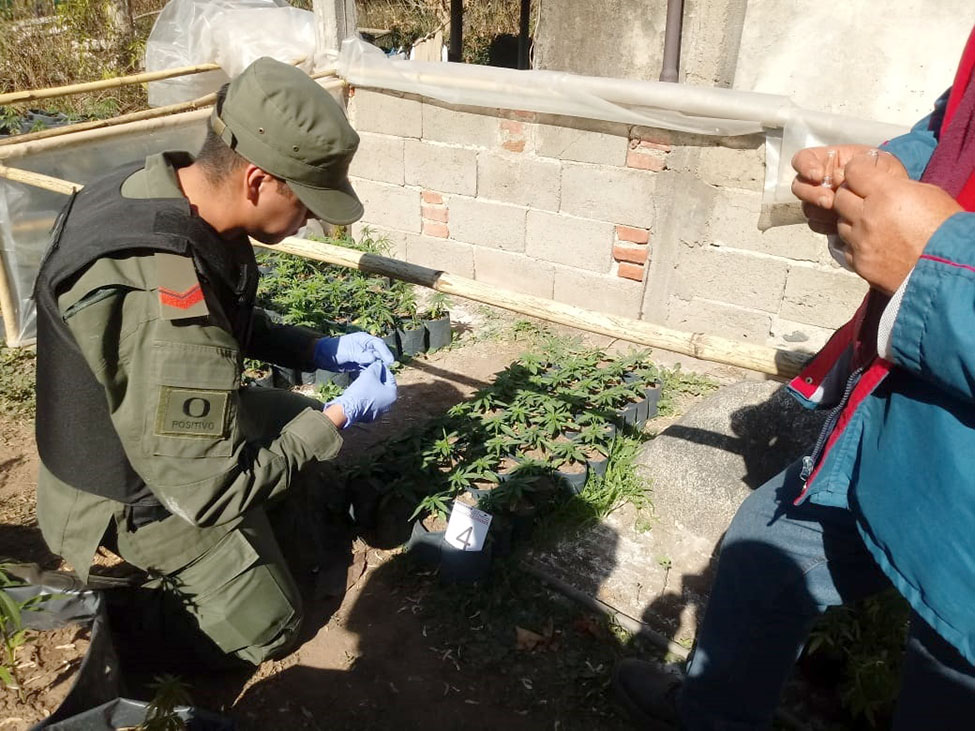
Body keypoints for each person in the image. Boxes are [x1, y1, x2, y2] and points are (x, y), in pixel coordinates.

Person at [612, 25, 975, 730]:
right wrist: (870, 183)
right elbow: (951, 129)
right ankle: (710, 710)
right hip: (910, 412)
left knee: (944, 681)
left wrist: (936, 263)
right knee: (767, 547)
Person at [33, 57, 398, 666]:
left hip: (144, 433)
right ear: (257, 180)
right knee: (272, 628)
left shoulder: (162, 191)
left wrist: (315, 349)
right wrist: (337, 417)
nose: (311, 218)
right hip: (127, 492)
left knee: (288, 419)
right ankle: (116, 610)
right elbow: (211, 495)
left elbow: (222, 317)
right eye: (306, 201)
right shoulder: (162, 305)